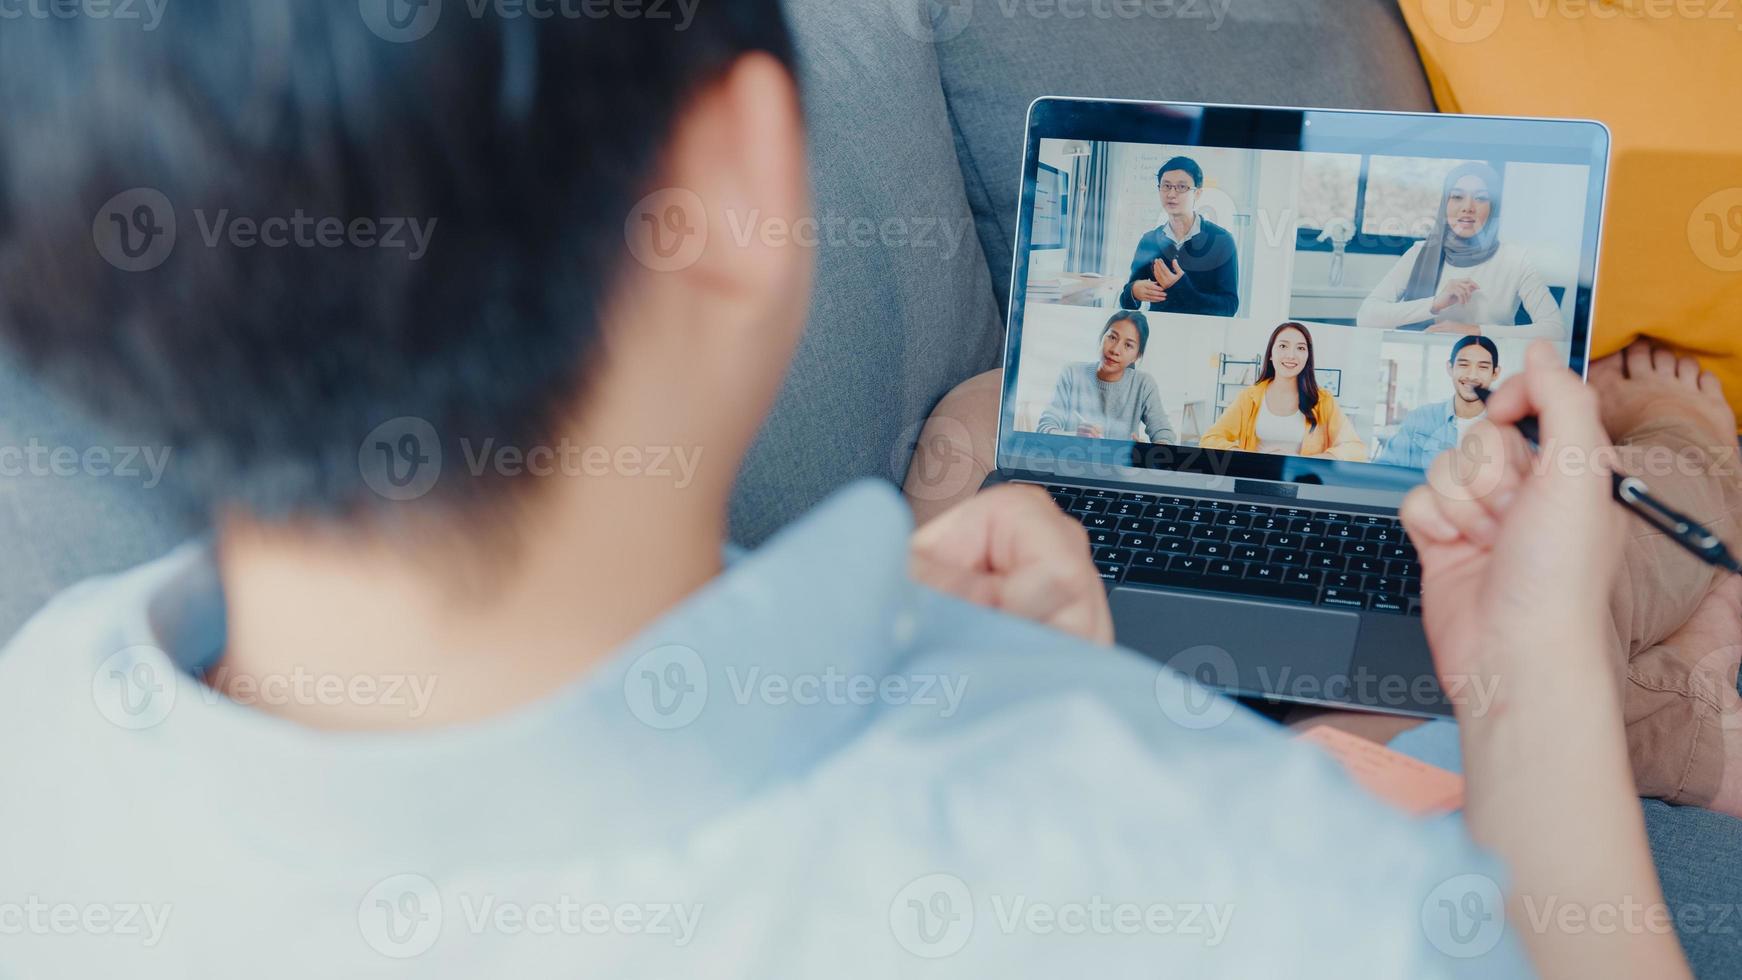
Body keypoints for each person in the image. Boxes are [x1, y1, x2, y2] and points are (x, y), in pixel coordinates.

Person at [0, 3, 1699, 977]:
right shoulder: (1267, 894)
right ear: (743, 182)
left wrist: (1029, 694)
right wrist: (1524, 679)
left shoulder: (39, 763)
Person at [1355, 162, 1565, 340]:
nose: (1468, 207)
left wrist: (1474, 332)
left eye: (1481, 198)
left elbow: (1555, 330)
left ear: (1494, 207)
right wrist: (1434, 304)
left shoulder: (1516, 259)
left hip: (1488, 367)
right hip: (1419, 360)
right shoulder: (1419, 252)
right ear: (1445, 203)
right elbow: (1366, 317)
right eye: (1457, 197)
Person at [1198, 322, 1369, 460]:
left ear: (1308, 356)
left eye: (1301, 348)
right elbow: (1209, 439)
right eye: (1283, 346)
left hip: (1303, 484)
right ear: (1271, 354)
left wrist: (1307, 461)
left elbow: (1356, 449)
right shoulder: (1249, 397)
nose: (1291, 355)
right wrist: (1253, 456)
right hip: (1256, 479)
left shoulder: (1323, 400)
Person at [1116, 156, 1240, 317]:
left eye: (1181, 187)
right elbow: (1126, 302)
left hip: (1203, 335)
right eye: (1166, 186)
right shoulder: (1149, 240)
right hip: (1158, 330)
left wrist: (1180, 287)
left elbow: (1229, 307)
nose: (1171, 194)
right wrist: (1133, 291)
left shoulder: (1222, 240)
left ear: (1197, 193)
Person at [1034, 311, 1176, 442]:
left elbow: (1164, 433)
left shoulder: (1143, 384)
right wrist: (1075, 436)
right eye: (1112, 337)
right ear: (1102, 337)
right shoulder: (1072, 373)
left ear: (1136, 356)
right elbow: (1044, 429)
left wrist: (1147, 452)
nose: (1115, 350)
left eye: (1128, 345)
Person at [1374, 335, 1502, 469]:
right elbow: (1385, 469)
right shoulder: (1420, 418)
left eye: (1483, 367)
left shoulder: (1508, 427)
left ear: (1495, 373)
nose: (1472, 375)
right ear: (1450, 368)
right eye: (1464, 365)